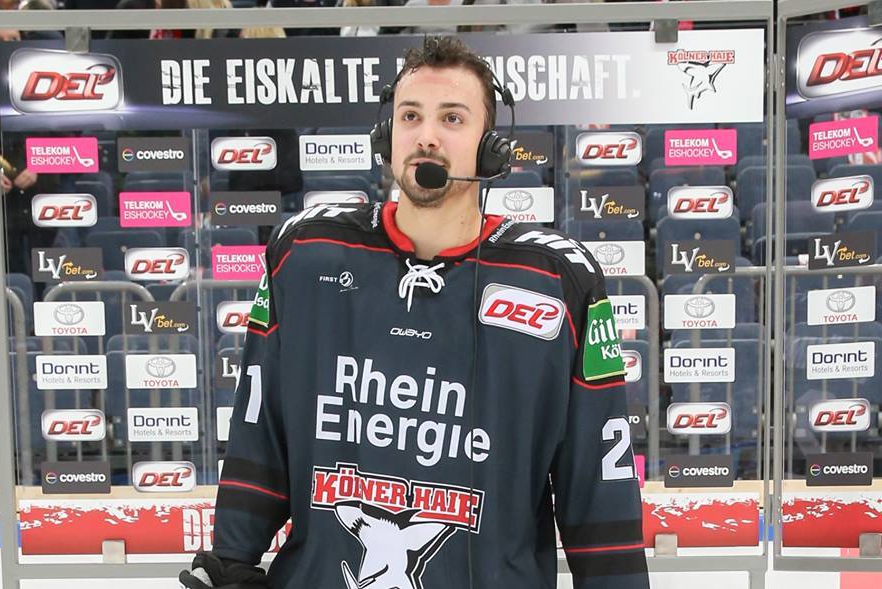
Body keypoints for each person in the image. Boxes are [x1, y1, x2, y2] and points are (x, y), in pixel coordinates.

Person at [180, 36, 649, 589]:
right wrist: (232, 559)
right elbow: (258, 432)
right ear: (387, 136)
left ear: (491, 147)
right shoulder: (303, 253)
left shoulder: (560, 279)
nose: (427, 135)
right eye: (410, 116)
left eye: (452, 118)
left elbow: (600, 485)